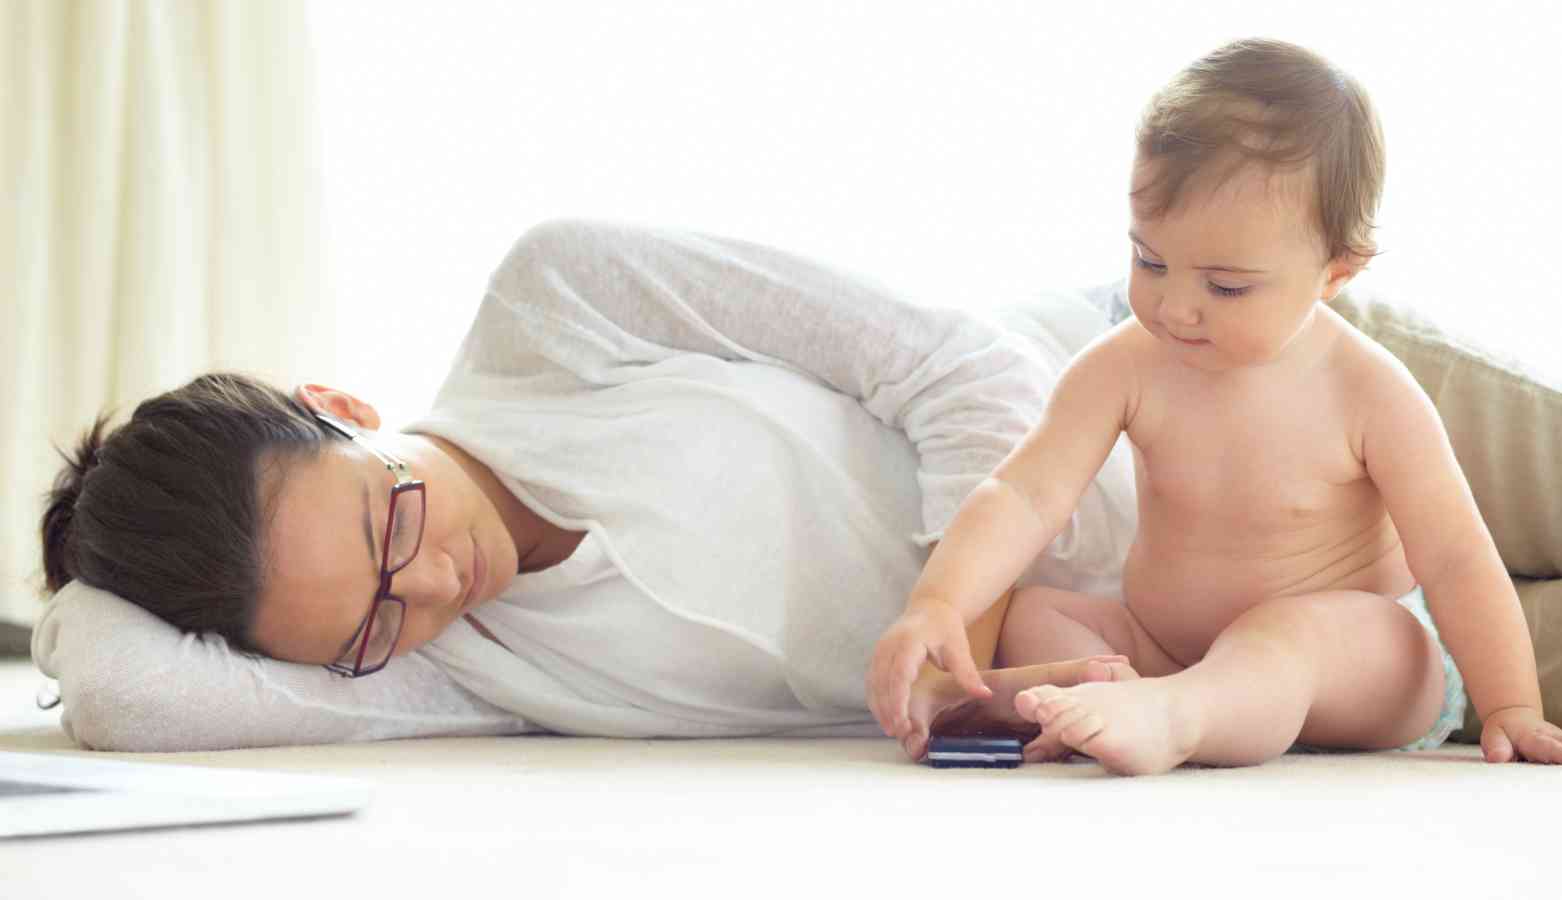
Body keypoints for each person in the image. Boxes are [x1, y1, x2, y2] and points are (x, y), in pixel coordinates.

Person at [36, 218, 1137, 750]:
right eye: (373, 618)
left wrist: (966, 650)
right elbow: (121, 688)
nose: (435, 581)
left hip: (1140, 383)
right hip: (1165, 620)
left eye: (388, 518)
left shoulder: (556, 301)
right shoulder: (458, 673)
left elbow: (957, 367)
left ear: (343, 405)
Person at [866, 38, 1562, 773]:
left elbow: (1456, 558)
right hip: (1168, 653)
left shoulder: (1371, 391)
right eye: (1150, 262)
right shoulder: (1123, 365)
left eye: (1226, 287)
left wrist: (1512, 707)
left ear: (1334, 273)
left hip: (1359, 666)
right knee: (1037, 612)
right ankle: (1110, 698)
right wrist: (937, 602)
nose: (1176, 306)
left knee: (1285, 632)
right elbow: (1024, 496)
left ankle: (1178, 715)